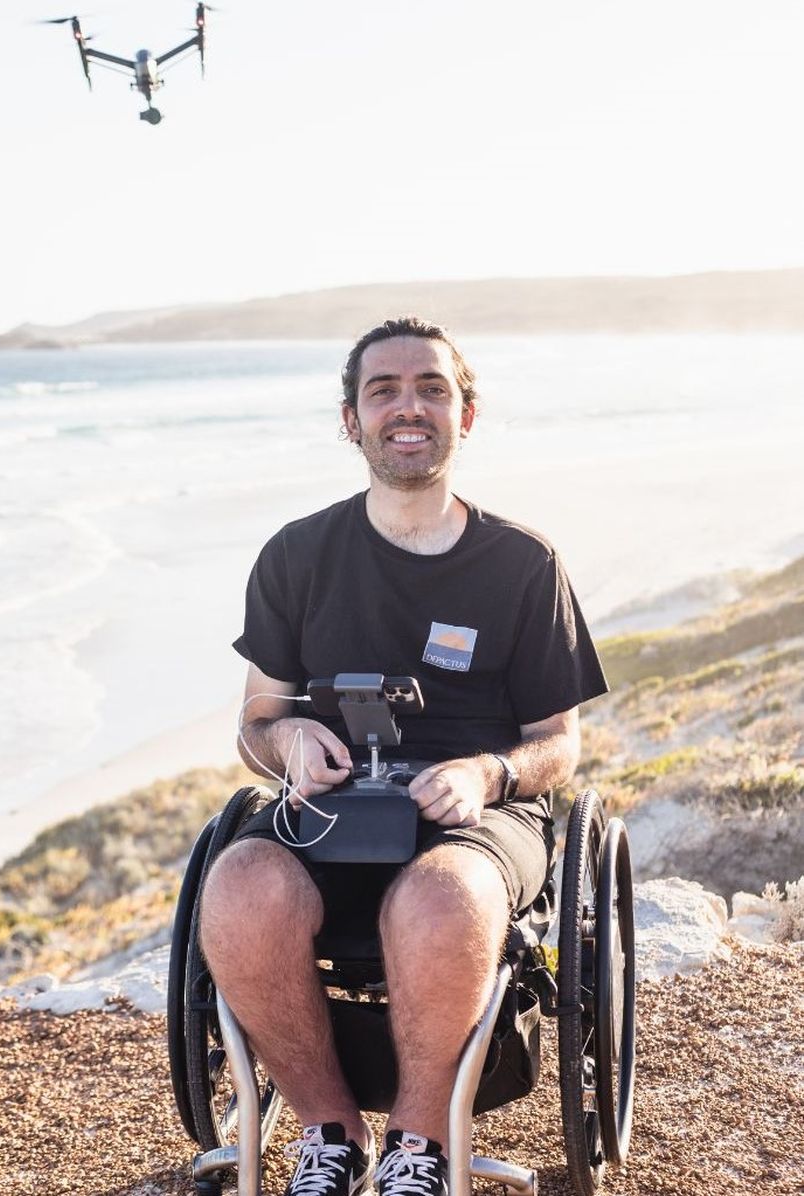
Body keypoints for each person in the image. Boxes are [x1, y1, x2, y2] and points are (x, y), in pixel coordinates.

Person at [200, 316, 607, 1196]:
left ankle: (419, 1147)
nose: (407, 407)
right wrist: (289, 741)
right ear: (351, 419)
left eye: (430, 388)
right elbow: (255, 720)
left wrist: (488, 773)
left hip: (479, 817)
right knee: (237, 887)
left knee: (438, 898)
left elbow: (558, 743)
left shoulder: (524, 564)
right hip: (337, 803)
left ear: (466, 413)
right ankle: (330, 1135)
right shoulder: (297, 555)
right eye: (382, 390)